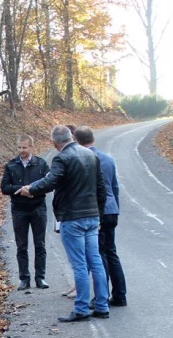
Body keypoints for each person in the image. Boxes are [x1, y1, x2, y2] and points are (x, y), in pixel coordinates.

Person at [20, 125, 108, 322]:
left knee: (79, 264)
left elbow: (51, 181)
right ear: (71, 137)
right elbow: (101, 188)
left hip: (73, 217)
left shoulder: (62, 158)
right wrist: (99, 215)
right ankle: (102, 305)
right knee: (95, 261)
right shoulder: (90, 155)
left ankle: (81, 309)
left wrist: (30, 189)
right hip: (92, 216)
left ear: (55, 142)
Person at [74, 126, 127, 307]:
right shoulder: (108, 158)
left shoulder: (85, 159)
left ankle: (101, 297)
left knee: (99, 254)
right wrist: (116, 208)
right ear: (93, 138)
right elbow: (115, 187)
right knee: (111, 252)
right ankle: (120, 294)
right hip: (111, 209)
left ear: (77, 141)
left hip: (98, 210)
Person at [1, 134, 50, 290]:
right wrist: (21, 190)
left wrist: (33, 191)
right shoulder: (11, 165)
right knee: (21, 245)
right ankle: (24, 278)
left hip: (38, 208)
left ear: (31, 147)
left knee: (40, 244)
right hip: (19, 210)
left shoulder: (41, 164)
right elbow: (4, 188)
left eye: (24, 147)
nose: (21, 150)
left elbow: (49, 184)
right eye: (19, 147)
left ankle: (40, 278)